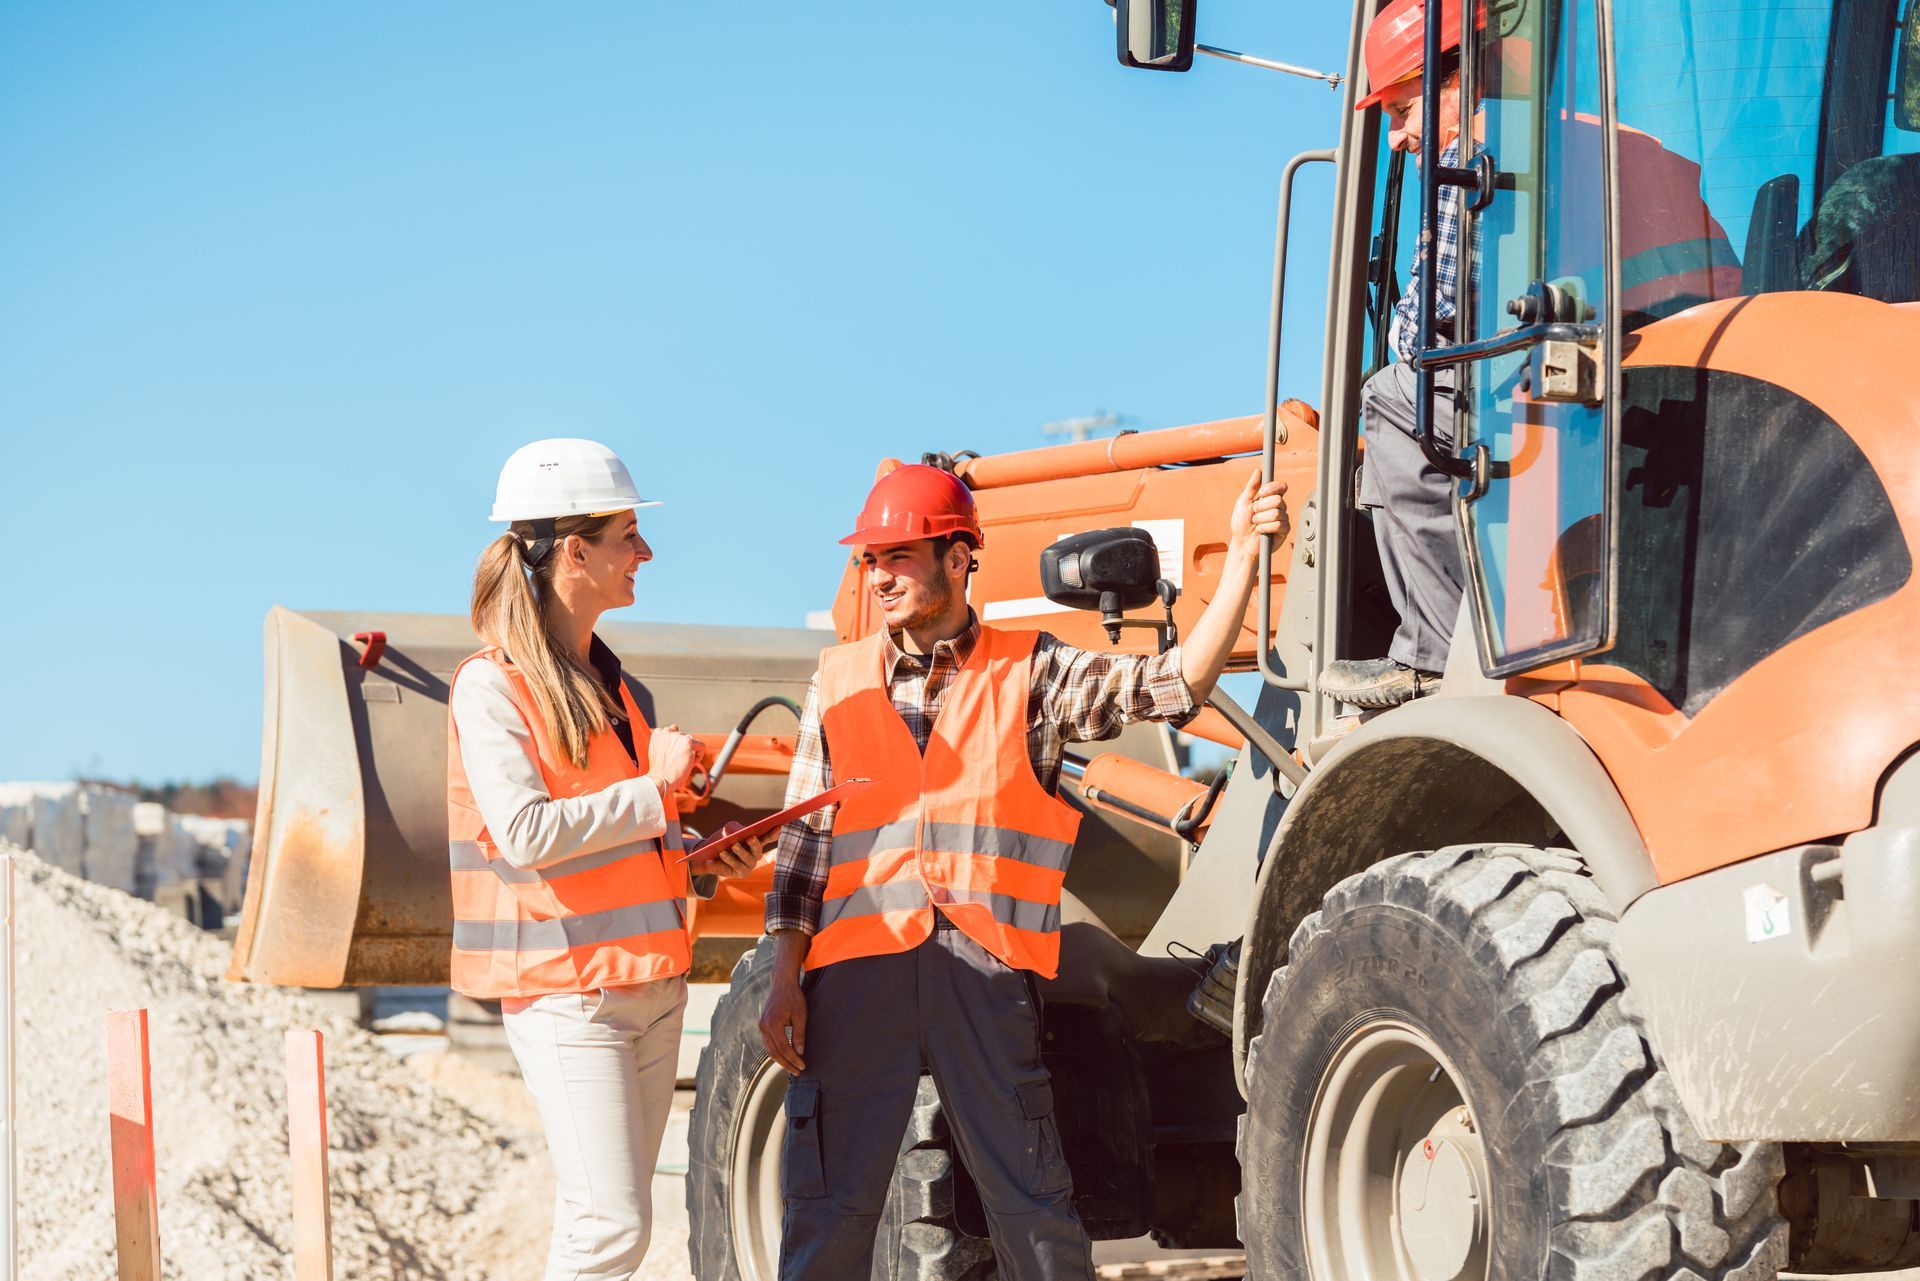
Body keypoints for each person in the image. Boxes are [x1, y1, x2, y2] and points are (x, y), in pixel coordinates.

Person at [758, 462, 1289, 1280]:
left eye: (900, 555)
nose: (881, 575)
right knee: (828, 1215)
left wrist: (1249, 557)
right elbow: (803, 853)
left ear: (960, 557)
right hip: (857, 976)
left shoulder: (1030, 670)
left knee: (1034, 1211)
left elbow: (1175, 684)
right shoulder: (837, 681)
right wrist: (784, 978)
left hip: (983, 974)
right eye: (874, 559)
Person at [446, 437, 763, 1281]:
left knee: (611, 1226)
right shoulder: (491, 687)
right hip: (569, 997)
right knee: (609, 1230)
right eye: (629, 533)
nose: (646, 552)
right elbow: (525, 831)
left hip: (652, 990)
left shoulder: (613, 686)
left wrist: (701, 857)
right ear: (574, 550)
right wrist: (659, 796)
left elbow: (615, 842)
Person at [1318, 0, 1474, 709]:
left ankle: (1432, 652)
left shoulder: (1466, 170)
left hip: (1507, 388)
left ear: (1458, 80)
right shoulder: (1574, 141)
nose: (1399, 138)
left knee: (1388, 396)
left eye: (1406, 110)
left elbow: (1422, 332)